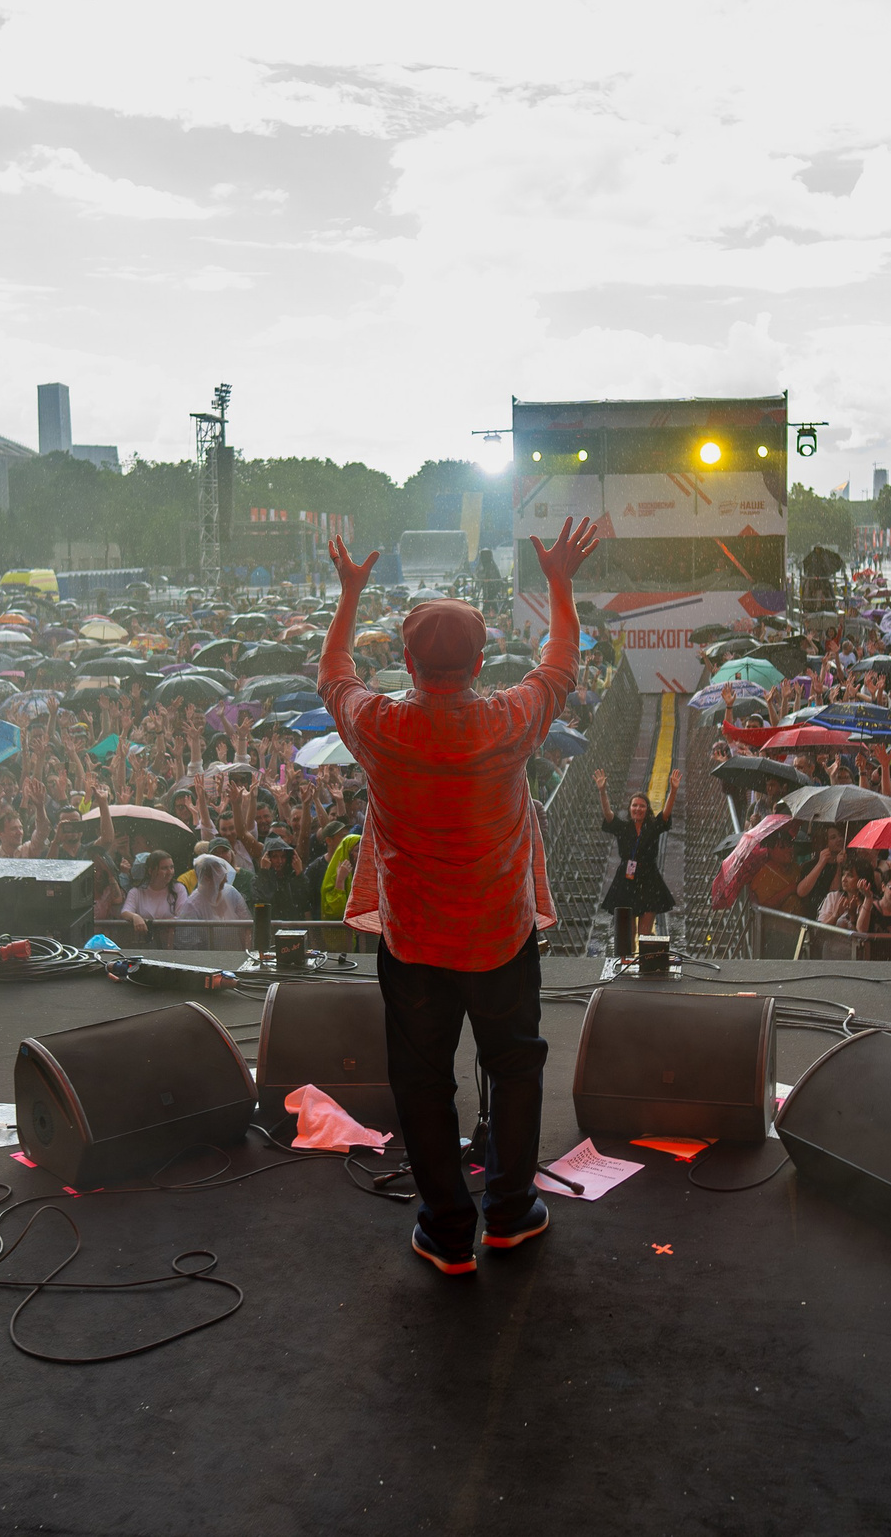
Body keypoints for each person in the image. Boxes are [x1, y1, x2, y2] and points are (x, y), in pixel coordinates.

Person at [318, 517, 599, 1276]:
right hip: (501, 936)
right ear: (480, 661)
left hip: (412, 944)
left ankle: (447, 1232)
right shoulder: (507, 721)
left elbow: (334, 673)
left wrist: (349, 596)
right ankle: (508, 1214)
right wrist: (561, 584)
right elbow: (562, 662)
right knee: (514, 1064)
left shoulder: (379, 726)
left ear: (406, 661)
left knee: (422, 1081)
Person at [595, 770, 681, 937]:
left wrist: (673, 790)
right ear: (629, 808)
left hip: (649, 878)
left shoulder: (653, 826)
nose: (638, 809)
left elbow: (666, 813)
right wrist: (602, 791)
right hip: (626, 879)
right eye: (634, 805)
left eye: (642, 806)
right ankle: (627, 960)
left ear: (647, 809)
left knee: (645, 933)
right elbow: (608, 814)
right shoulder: (623, 828)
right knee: (627, 933)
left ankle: (644, 960)